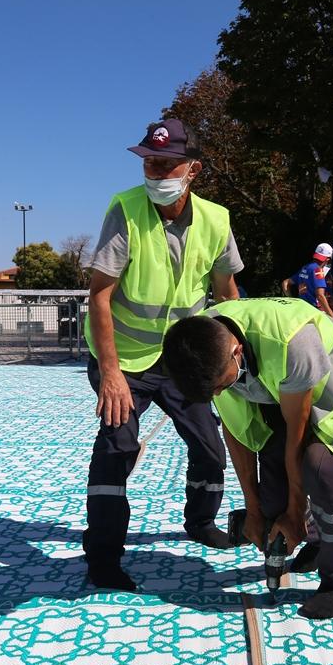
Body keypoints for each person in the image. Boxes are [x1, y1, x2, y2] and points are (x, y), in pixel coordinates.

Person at [83, 118, 244, 591]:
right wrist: (110, 374)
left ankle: (200, 521)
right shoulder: (126, 210)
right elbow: (99, 296)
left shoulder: (216, 219)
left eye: (166, 163)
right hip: (126, 362)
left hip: (184, 360)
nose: (155, 172)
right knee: (117, 448)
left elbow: (227, 293)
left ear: (192, 169)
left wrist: (236, 356)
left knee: (211, 446)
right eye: (150, 162)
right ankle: (104, 557)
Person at [160, 297, 333, 619]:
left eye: (222, 386)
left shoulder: (292, 342)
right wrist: (254, 510)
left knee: (322, 473)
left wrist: (295, 511)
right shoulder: (204, 342)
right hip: (279, 392)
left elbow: (298, 434)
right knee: (272, 499)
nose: (220, 394)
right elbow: (237, 435)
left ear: (237, 352)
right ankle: (316, 539)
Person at [283, 243, 333, 319]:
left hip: (301, 311)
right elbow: (320, 296)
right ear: (327, 259)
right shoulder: (318, 270)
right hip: (314, 313)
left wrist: (291, 299)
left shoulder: (305, 268)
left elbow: (285, 283)